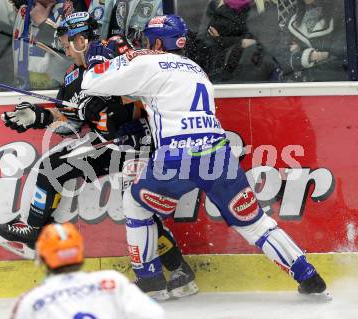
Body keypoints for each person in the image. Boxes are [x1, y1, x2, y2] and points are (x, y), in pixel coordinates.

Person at [81, 14, 332, 300]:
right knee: (254, 222)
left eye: (149, 39)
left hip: (177, 158)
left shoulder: (148, 61)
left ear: (158, 41)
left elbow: (91, 84)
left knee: (135, 203)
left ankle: (150, 281)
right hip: (218, 155)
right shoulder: (195, 69)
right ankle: (309, 276)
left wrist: (98, 57)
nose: (146, 43)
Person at [0, 12, 198, 300]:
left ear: (80, 39)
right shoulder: (71, 77)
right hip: (115, 146)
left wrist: (106, 103)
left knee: (139, 209)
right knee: (54, 167)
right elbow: (69, 121)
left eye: (65, 41)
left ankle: (176, 272)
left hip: (142, 142)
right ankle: (35, 229)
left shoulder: (114, 48)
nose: (62, 48)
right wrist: (36, 116)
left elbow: (145, 91)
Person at [10, 222, 165, 319]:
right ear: (82, 253)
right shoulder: (112, 281)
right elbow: (155, 315)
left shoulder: (31, 300)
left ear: (42, 259)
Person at [279, 0, 348, 82]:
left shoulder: (342, 13)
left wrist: (299, 56)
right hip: (296, 85)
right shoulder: (295, 13)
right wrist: (311, 56)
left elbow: (341, 55)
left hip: (331, 84)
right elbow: (281, 56)